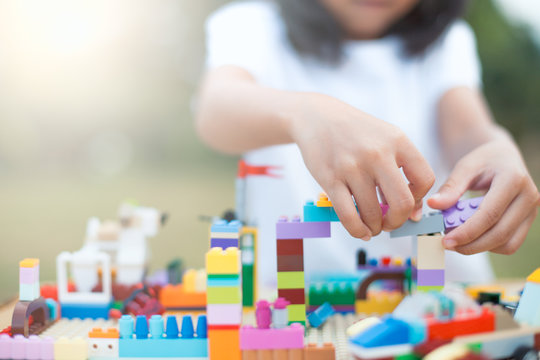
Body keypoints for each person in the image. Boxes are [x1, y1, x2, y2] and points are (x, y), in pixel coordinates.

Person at [195, 0, 539, 287]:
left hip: (444, 297)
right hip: (293, 303)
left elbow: (469, 132)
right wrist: (303, 113)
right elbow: (216, 110)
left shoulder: (446, 42)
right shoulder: (251, 26)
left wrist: (499, 146)